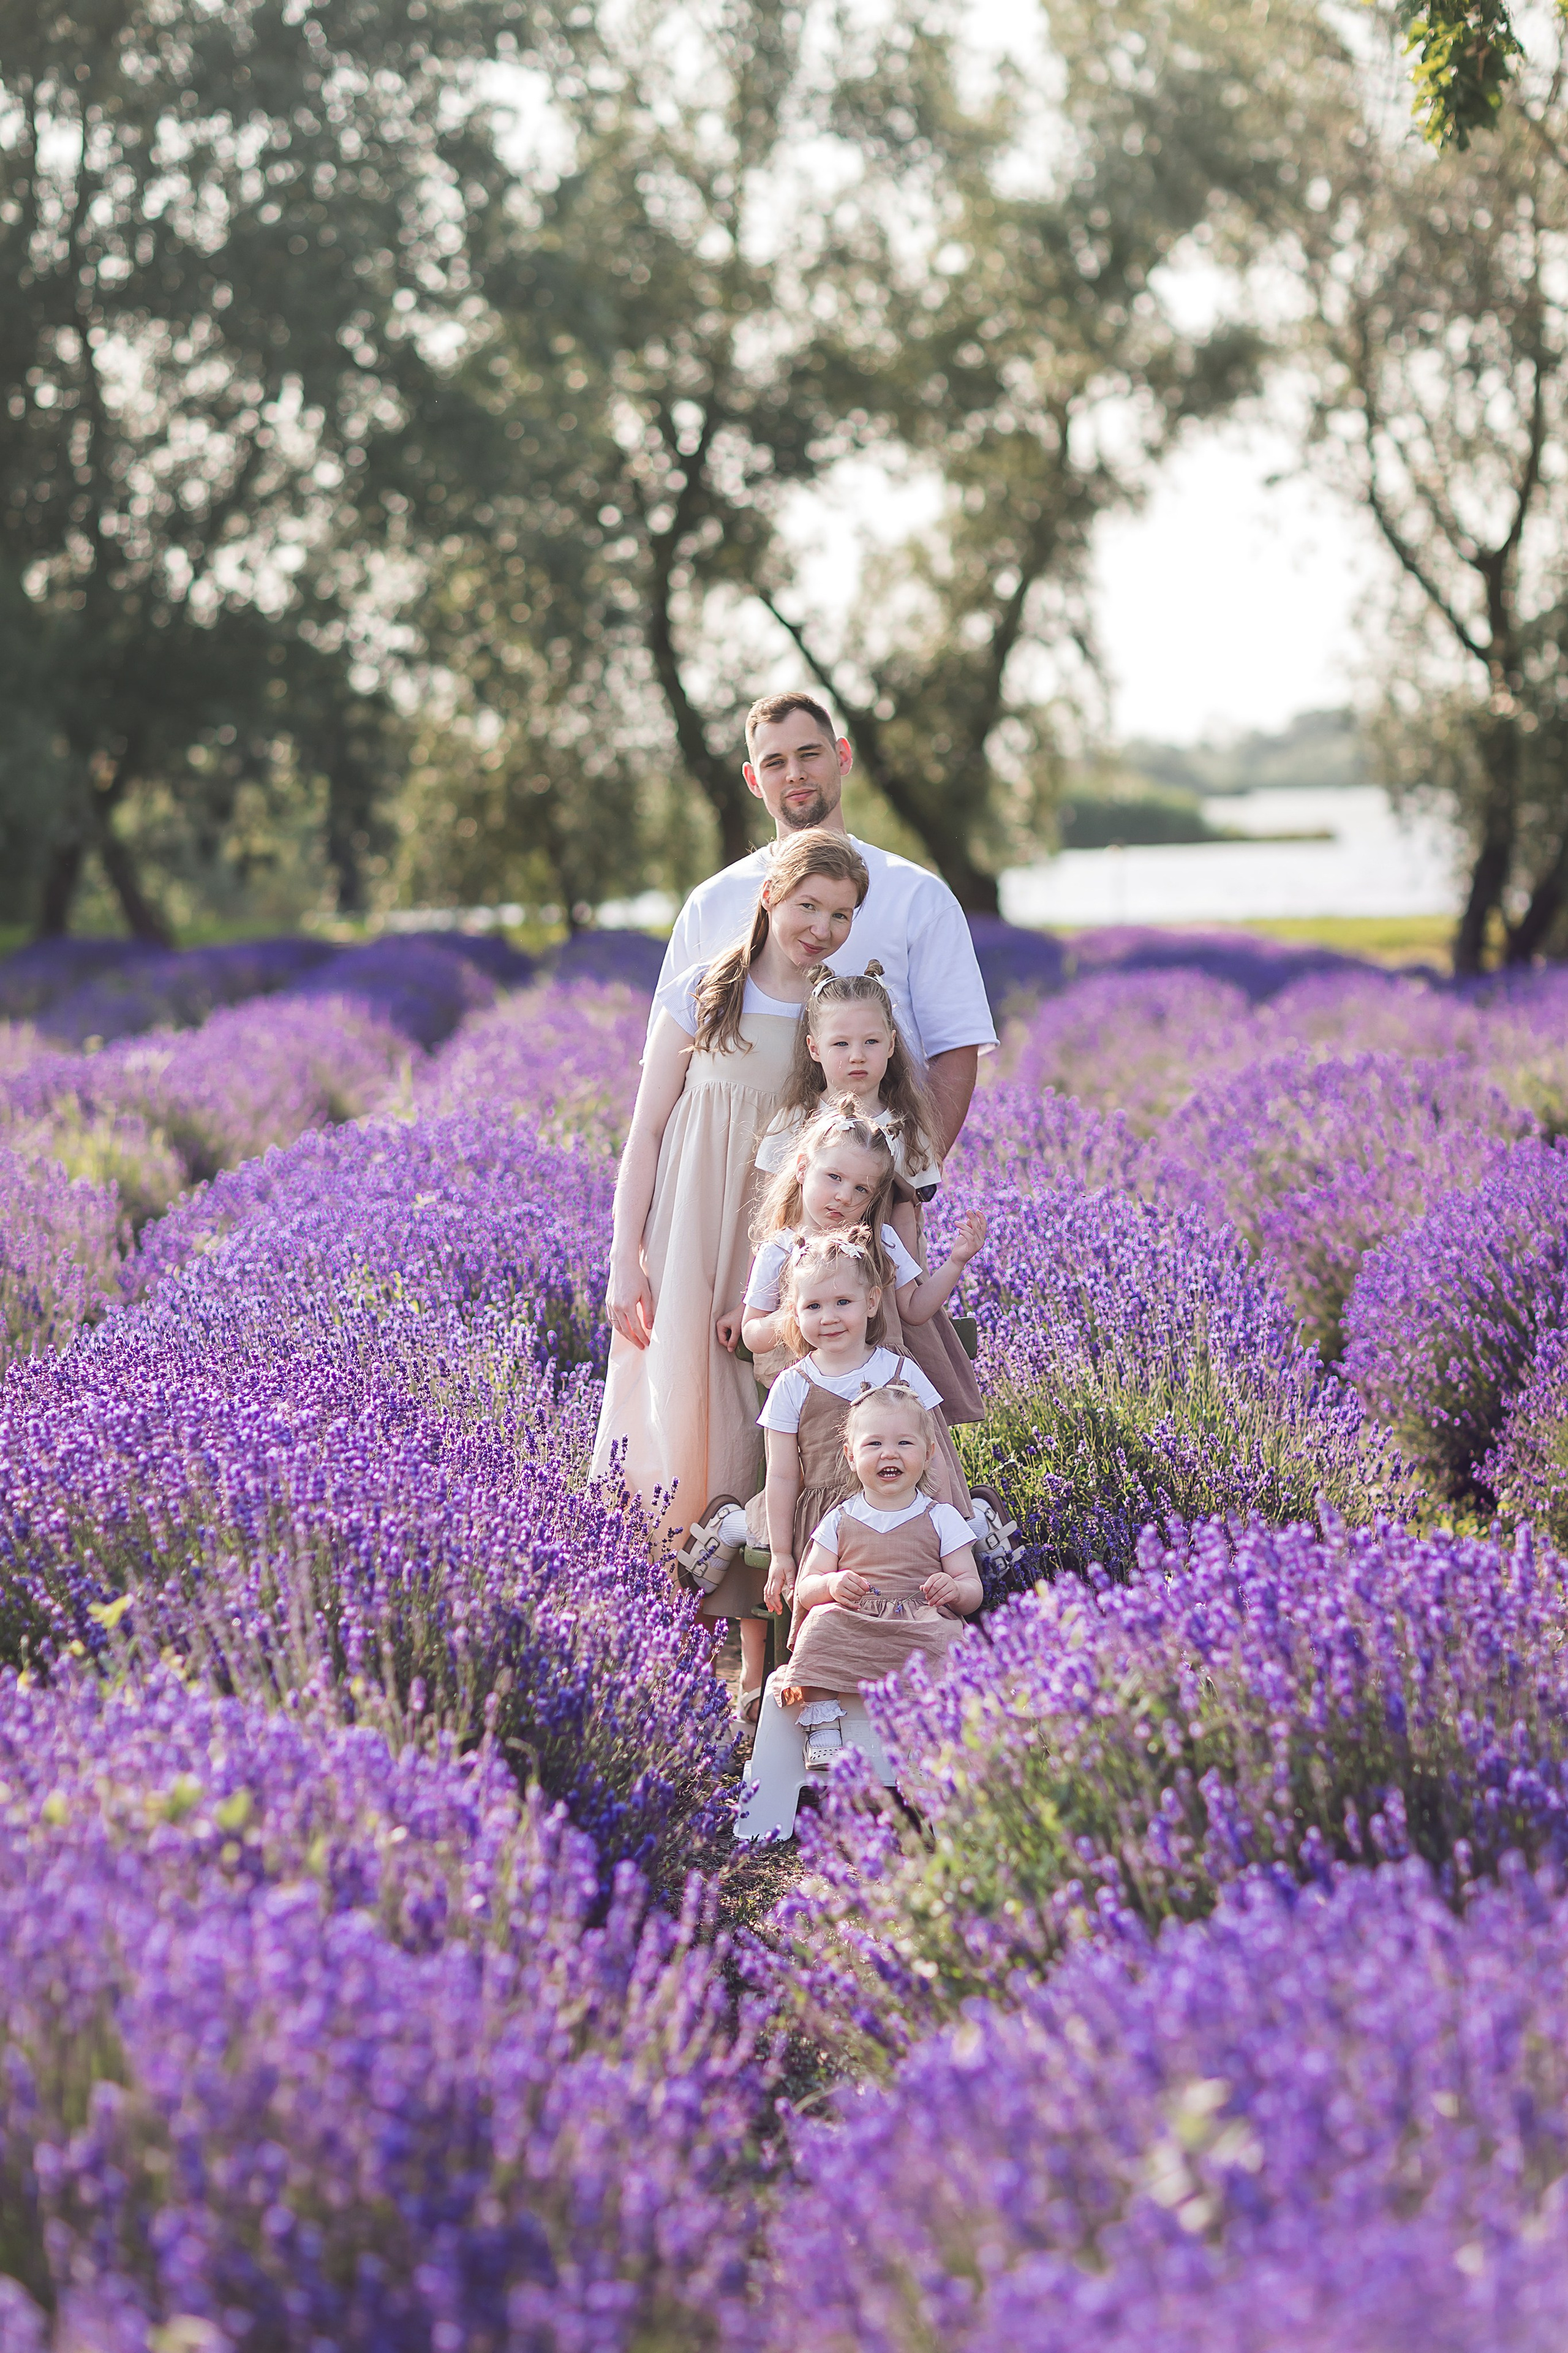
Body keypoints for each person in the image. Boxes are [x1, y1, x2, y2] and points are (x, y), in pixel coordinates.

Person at [590, 831, 870, 1590]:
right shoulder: (703, 991)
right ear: (770, 895)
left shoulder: (829, 1012)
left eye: (841, 915)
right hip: (684, 1228)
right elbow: (646, 1131)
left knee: (757, 1397)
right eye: (808, 905)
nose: (821, 927)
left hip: (771, 1242)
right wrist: (625, 1256)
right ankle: (657, 1586)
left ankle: (749, 1591)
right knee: (672, 1388)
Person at [651, 692, 997, 1166]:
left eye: (809, 754)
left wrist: (908, 1177)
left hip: (860, 1191)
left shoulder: (918, 896)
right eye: (775, 762)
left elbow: (955, 1048)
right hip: (718, 1177)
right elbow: (666, 1072)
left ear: (843, 756)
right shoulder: (711, 903)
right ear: (753, 780)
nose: (794, 773)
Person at [753, 964, 986, 1423]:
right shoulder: (796, 1120)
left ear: (892, 1045)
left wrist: (912, 1279)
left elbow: (905, 1223)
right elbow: (773, 1215)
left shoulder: (905, 1130)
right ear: (815, 1049)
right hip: (807, 1291)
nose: (857, 1056)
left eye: (871, 1042)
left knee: (891, 1400)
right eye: (841, 1044)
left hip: (879, 1285)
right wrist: (748, 1302)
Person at [780, 1381, 982, 1769]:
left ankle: (927, 1733)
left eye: (905, 1443)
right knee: (821, 1624)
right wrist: (831, 1584)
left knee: (946, 1638)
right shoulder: (839, 1519)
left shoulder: (942, 1517)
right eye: (874, 1444)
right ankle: (824, 1728)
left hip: (918, 1620)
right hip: (857, 1619)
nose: (889, 1453)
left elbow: (973, 1590)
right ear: (851, 1456)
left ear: (929, 1453)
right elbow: (806, 1590)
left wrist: (955, 1590)